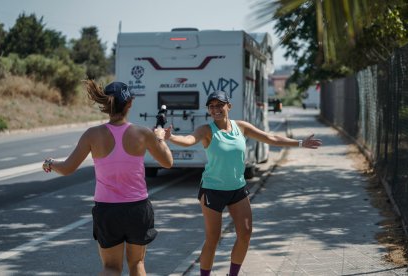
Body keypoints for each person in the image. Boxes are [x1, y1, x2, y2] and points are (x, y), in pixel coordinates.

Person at [164, 90, 322, 276]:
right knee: (213, 239)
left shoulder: (241, 127)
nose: (216, 109)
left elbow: (270, 138)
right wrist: (171, 137)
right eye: (212, 106)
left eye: (220, 105)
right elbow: (188, 140)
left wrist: (300, 143)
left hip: (237, 188)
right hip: (212, 190)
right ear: (208, 109)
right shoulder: (206, 130)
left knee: (245, 234)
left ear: (228, 106)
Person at [42, 80, 173, 276]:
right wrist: (161, 138)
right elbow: (168, 162)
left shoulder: (92, 135)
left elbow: (68, 168)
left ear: (105, 105)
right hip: (137, 207)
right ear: (129, 104)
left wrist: (51, 163)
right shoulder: (143, 133)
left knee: (111, 268)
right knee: (137, 263)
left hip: (107, 210)